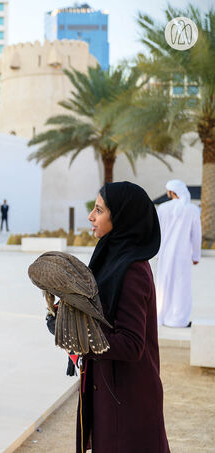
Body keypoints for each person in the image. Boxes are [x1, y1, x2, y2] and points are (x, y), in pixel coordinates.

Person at [77, 181, 168, 452]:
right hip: (109, 391)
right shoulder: (110, 259)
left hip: (127, 399)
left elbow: (131, 344)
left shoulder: (132, 270)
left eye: (99, 210)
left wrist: (81, 336)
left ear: (122, 217)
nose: (91, 216)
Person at [156, 179, 201, 328]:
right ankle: (178, 320)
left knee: (163, 285)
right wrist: (196, 256)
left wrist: (155, 253)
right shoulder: (193, 209)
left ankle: (160, 318)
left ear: (171, 192)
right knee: (181, 287)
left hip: (164, 254)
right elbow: (196, 235)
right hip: (183, 255)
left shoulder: (162, 208)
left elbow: (157, 233)